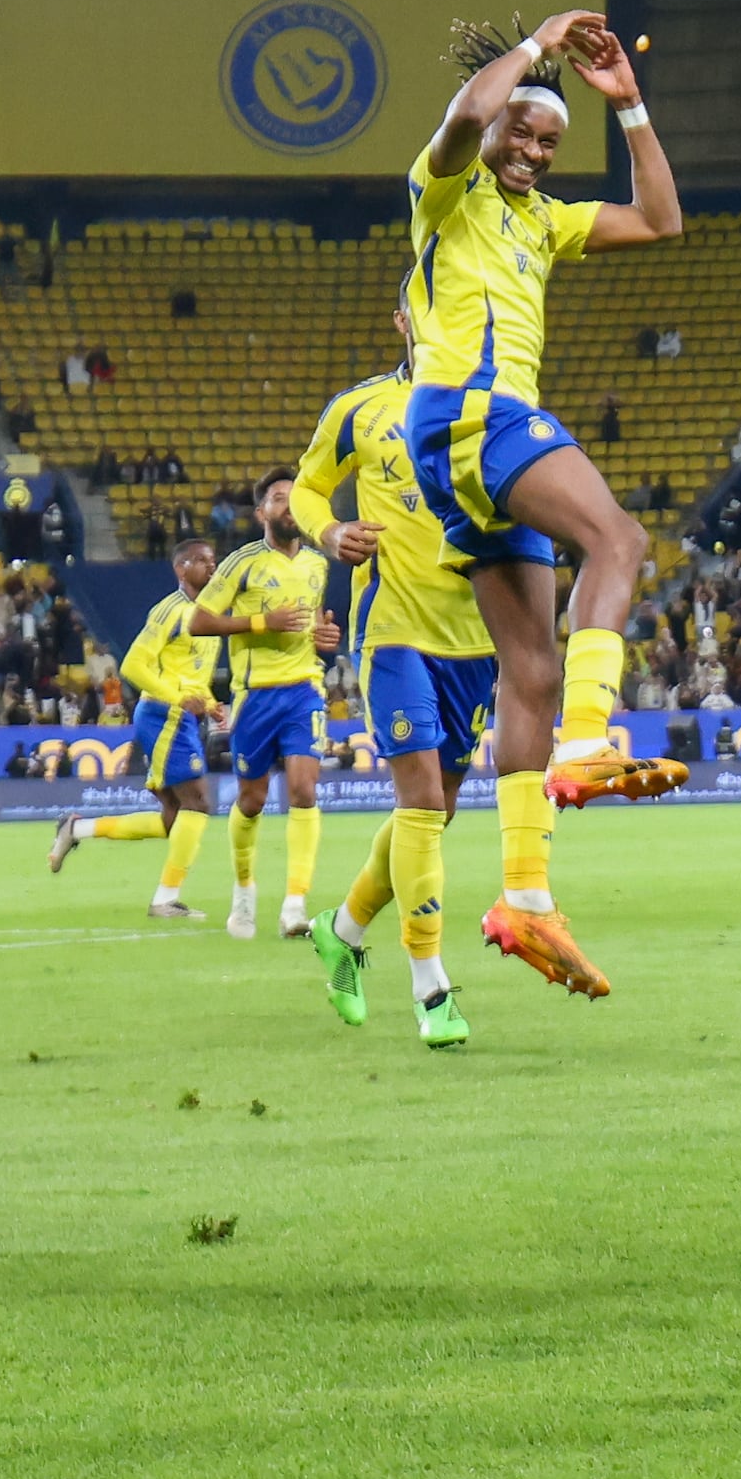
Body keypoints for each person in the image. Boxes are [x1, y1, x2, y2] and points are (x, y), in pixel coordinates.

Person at [394, 13, 692, 1012]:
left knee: (529, 668)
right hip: (473, 413)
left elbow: (660, 221)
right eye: (519, 133)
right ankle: (586, 740)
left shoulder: (543, 219)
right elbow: (464, 113)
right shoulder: (443, 190)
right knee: (619, 537)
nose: (527, 149)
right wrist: (530, 45)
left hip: (473, 447)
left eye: (546, 142)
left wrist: (630, 106)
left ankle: (524, 895)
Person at [302, 320, 517, 1045]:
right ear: (403, 319)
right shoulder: (361, 408)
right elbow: (307, 487)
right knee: (421, 798)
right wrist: (331, 534)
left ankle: (342, 929)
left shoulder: (500, 407)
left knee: (436, 810)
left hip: (476, 639)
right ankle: (432, 991)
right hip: (394, 631)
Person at [49, 540, 232, 922]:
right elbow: (133, 666)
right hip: (163, 714)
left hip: (180, 714)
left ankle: (77, 828)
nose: (211, 567)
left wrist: (210, 703)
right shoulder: (169, 611)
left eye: (214, 561)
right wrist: (179, 698)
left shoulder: (209, 616)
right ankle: (166, 899)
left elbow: (189, 672)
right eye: (201, 561)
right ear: (180, 569)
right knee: (198, 804)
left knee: (172, 819)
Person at [183, 513, 335, 940]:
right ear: (261, 513)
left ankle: (295, 904)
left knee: (305, 789)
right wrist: (259, 623)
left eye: (292, 498)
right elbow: (199, 621)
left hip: (305, 689)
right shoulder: (241, 562)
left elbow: (314, 623)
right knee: (252, 799)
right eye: (278, 499)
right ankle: (244, 892)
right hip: (255, 695)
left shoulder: (317, 563)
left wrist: (324, 635)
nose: (288, 508)